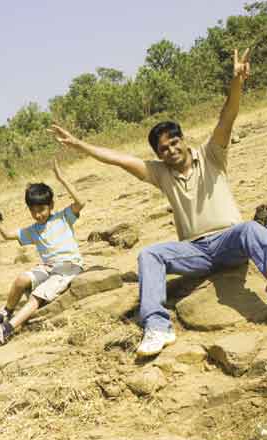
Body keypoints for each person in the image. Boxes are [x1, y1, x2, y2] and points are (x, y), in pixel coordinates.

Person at [48, 49, 265, 358]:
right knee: (150, 254)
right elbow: (121, 160)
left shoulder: (212, 154)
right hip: (195, 252)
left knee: (250, 229)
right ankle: (157, 327)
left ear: (184, 140)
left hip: (230, 243)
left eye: (174, 143)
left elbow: (227, 116)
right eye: (162, 149)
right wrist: (79, 145)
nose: (170, 151)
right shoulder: (161, 173)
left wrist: (237, 82)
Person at [0, 158, 85, 347]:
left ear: (51, 205)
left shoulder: (63, 217)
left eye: (42, 209)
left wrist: (62, 178)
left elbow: (80, 201)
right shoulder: (33, 230)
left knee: (37, 296)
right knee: (21, 279)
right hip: (48, 268)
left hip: (68, 267)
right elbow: (6, 235)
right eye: (34, 210)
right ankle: (5, 313)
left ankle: (7, 330)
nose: (38, 214)